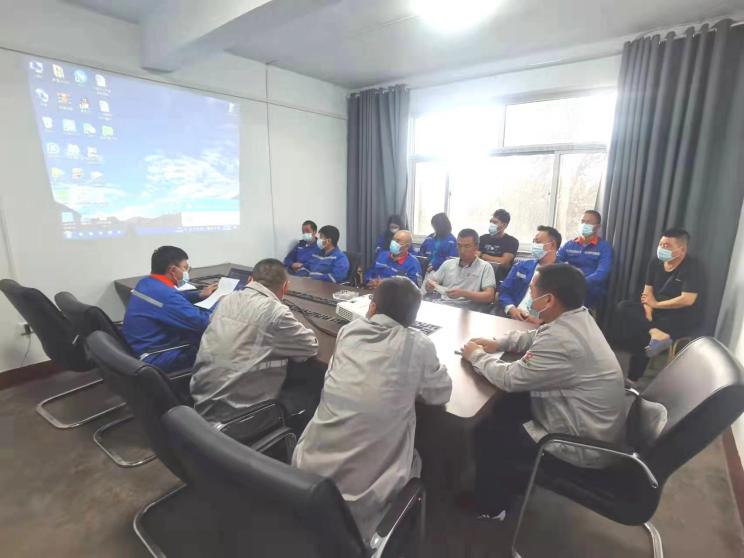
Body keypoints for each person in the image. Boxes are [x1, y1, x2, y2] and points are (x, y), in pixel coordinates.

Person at [292, 277, 452, 542]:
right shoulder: (418, 344)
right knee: (419, 455)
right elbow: (440, 393)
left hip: (305, 481)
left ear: (372, 307)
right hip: (362, 509)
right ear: (412, 319)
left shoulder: (348, 332)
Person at [461, 264, 625, 520]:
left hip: (579, 444)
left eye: (533, 289)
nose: (530, 293)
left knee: (489, 432)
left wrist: (476, 356)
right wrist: (498, 343)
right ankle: (512, 479)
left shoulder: (563, 340)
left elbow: (509, 378)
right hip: (588, 424)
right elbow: (537, 336)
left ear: (548, 300)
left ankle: (491, 507)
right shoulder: (577, 317)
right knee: (507, 407)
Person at [190, 259, 319, 424]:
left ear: (250, 280)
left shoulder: (226, 300)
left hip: (200, 402)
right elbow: (310, 347)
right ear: (285, 287)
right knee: (313, 392)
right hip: (237, 416)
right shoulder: (275, 312)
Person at [612, 228, 703, 381]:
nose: (661, 248)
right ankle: (655, 332)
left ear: (682, 249)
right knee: (624, 306)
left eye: (667, 246)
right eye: (661, 244)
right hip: (656, 310)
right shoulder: (655, 262)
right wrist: (648, 313)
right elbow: (647, 292)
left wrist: (655, 306)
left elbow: (687, 299)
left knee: (641, 332)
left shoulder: (692, 267)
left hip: (681, 314)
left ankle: (633, 378)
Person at [122, 246, 218, 372]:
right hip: (157, 356)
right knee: (218, 346)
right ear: (172, 270)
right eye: (185, 268)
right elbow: (202, 322)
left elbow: (170, 299)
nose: (187, 272)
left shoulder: (146, 283)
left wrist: (199, 295)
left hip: (139, 346)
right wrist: (220, 302)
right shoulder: (166, 295)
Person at [499, 226, 562, 323]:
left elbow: (563, 308)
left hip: (543, 323)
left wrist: (540, 320)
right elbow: (504, 291)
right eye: (533, 241)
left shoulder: (564, 274)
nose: (534, 245)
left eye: (538, 242)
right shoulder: (521, 266)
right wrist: (511, 308)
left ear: (552, 245)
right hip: (514, 316)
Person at [424, 229, 497, 310]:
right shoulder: (448, 264)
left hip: (467, 310)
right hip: (443, 305)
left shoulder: (485, 267)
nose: (462, 250)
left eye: (467, 246)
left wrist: (464, 293)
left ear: (476, 247)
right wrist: (429, 286)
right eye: (459, 246)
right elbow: (432, 282)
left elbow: (489, 296)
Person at [557, 210, 613, 308]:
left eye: (588, 222)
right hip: (569, 286)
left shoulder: (604, 247)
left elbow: (602, 273)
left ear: (597, 227)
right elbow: (556, 261)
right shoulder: (569, 244)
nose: (584, 224)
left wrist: (580, 283)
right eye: (582, 221)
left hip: (591, 290)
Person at [479, 209, 520, 279]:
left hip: (499, 277)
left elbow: (503, 262)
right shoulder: (482, 238)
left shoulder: (512, 241)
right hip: (480, 274)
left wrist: (482, 255)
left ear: (504, 225)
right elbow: (474, 256)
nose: (491, 224)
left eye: (495, 222)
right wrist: (495, 259)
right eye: (491, 222)